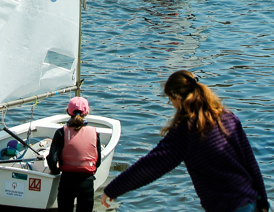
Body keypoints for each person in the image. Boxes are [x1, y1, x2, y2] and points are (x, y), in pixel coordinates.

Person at [101, 70, 269, 212]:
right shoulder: (228, 117)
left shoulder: (187, 131)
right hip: (251, 200)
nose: (171, 103)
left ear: (178, 98)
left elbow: (152, 165)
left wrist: (112, 189)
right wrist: (263, 202)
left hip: (227, 206)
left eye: (170, 99)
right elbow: (251, 163)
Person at [47, 96, 102, 212]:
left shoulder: (61, 132)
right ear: (86, 112)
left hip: (67, 181)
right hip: (87, 182)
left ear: (68, 112)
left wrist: (56, 171)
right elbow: (98, 161)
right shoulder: (94, 133)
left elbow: (52, 159)